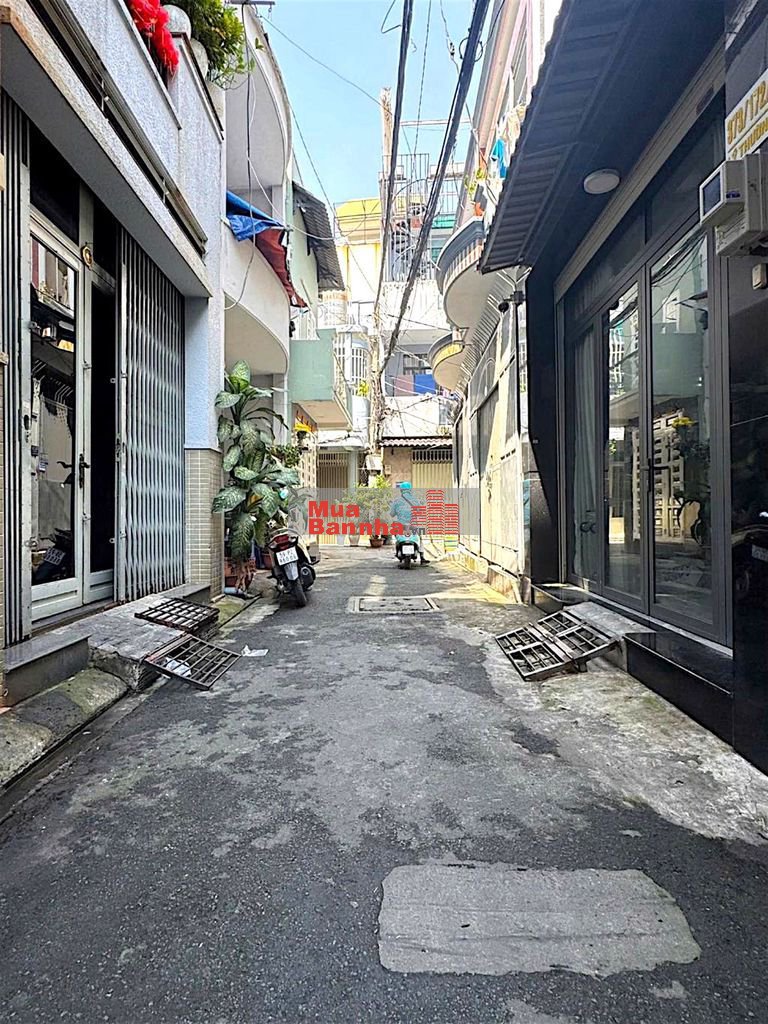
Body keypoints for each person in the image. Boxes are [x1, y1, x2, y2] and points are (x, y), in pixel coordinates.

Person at [389, 482, 430, 564]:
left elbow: (392, 514)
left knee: (396, 535)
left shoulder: (397, 501)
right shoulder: (415, 500)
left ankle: (397, 551)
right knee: (420, 538)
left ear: (401, 490)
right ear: (410, 490)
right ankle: (422, 557)